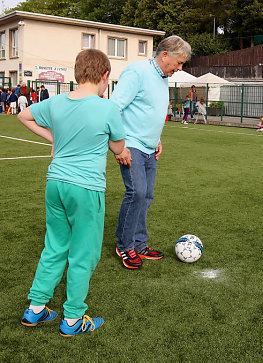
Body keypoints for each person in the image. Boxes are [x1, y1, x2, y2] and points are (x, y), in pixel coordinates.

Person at [18, 49, 127, 336]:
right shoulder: (107, 108)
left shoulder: (55, 102)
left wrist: (56, 138)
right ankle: (72, 320)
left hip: (55, 184)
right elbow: (118, 148)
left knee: (55, 246)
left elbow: (24, 116)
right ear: (105, 76)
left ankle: (36, 309)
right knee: (83, 253)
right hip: (85, 187)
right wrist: (122, 150)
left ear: (77, 74)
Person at [111, 35, 191, 269]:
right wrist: (120, 145)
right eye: (179, 62)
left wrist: (157, 139)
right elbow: (114, 107)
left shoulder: (162, 76)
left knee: (146, 196)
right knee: (136, 193)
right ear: (165, 55)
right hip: (131, 144)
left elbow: (149, 109)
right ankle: (125, 246)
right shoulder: (137, 72)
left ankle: (139, 244)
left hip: (149, 147)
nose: (180, 68)